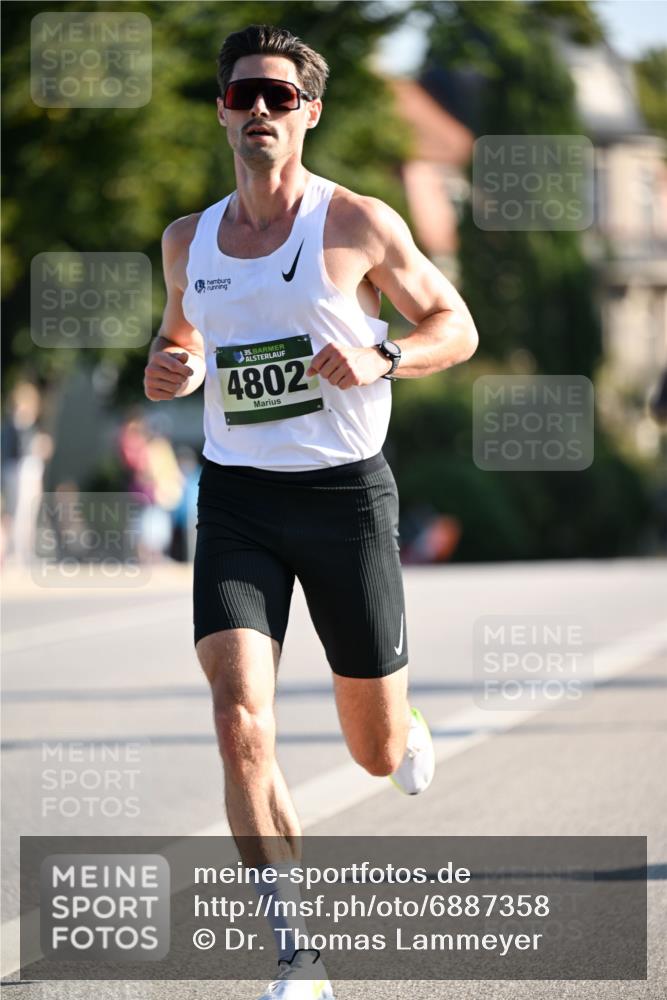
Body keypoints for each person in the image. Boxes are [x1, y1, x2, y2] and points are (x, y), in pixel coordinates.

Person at [143, 24, 478, 999]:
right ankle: (298, 953)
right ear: (221, 111)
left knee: (372, 753)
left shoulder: (357, 223)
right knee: (238, 717)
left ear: (309, 113)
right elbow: (181, 342)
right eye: (242, 93)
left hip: (344, 496)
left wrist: (383, 355)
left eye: (279, 96)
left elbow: (453, 324)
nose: (259, 108)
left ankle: (401, 724)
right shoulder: (186, 241)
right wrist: (173, 366)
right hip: (236, 499)